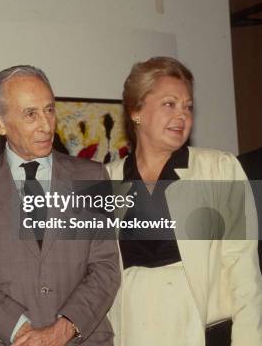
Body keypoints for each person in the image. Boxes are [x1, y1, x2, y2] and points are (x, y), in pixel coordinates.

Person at [0, 65, 120, 346]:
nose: (46, 125)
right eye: (31, 114)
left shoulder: (91, 177)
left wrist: (63, 329)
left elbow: (105, 268)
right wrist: (21, 332)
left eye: (49, 110)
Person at [105, 56, 262, 346]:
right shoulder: (107, 179)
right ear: (136, 111)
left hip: (203, 331)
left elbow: (244, 270)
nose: (183, 116)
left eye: (188, 106)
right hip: (134, 332)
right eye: (170, 104)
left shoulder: (218, 168)